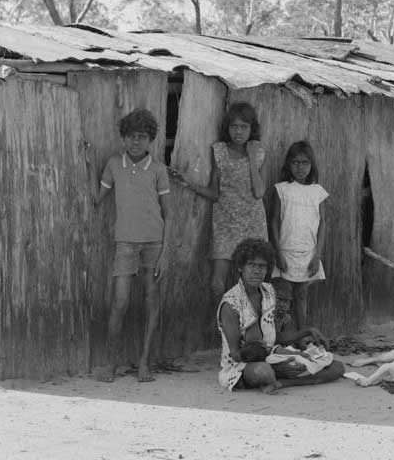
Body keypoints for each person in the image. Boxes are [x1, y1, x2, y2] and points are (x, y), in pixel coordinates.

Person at [83, 108, 170, 382]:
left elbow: (169, 214)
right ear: (123, 138)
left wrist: (166, 253)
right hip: (126, 243)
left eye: (143, 137)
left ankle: (144, 363)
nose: (136, 142)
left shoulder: (157, 169)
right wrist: (86, 164)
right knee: (120, 302)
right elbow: (98, 198)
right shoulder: (113, 164)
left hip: (154, 244)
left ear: (151, 140)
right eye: (132, 136)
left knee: (151, 301)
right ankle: (111, 364)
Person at [216, 238, 344, 393]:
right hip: (244, 366)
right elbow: (236, 355)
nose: (257, 271)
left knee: (337, 367)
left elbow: (274, 337)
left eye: (262, 266)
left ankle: (281, 382)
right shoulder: (230, 304)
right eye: (251, 265)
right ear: (240, 267)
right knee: (264, 372)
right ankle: (276, 377)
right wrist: (274, 362)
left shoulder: (269, 291)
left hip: (272, 355)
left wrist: (307, 332)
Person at [171, 101, 268, 302]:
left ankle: (248, 329)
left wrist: (250, 157)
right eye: (234, 126)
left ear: (252, 129)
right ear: (227, 128)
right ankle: (223, 325)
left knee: (252, 282)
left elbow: (259, 192)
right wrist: (188, 183)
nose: (238, 132)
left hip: (253, 223)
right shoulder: (220, 151)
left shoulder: (258, 153)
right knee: (217, 282)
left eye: (244, 127)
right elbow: (215, 193)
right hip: (225, 222)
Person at [267, 140, 329, 340]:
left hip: (309, 253)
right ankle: (280, 339)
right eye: (295, 162)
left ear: (312, 165)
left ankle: (303, 337)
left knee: (302, 295)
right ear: (288, 165)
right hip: (285, 252)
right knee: (282, 298)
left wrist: (317, 255)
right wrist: (277, 253)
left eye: (305, 163)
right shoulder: (282, 189)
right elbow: (274, 221)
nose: (300, 167)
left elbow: (322, 226)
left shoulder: (317, 192)